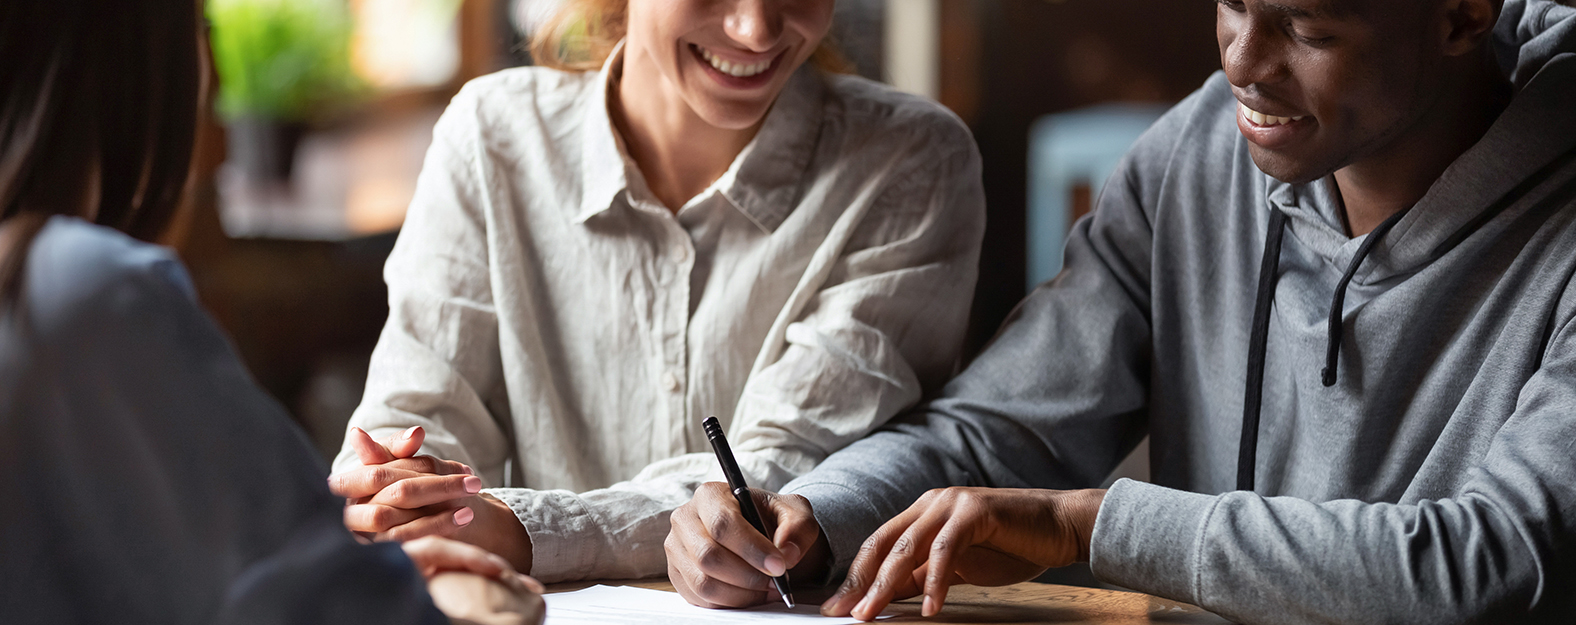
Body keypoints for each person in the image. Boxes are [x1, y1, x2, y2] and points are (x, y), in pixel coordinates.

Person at [666, 0, 1576, 622]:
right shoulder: (1197, 148)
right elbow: (998, 427)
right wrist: (818, 515)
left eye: (1304, 24)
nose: (1242, 63)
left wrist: (1086, 525)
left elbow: (1501, 564)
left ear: (1462, 13)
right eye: (1232, 4)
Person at [329, 0, 985, 583]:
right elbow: (414, 411)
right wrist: (396, 486)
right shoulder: (489, 136)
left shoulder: (914, 162)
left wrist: (521, 530)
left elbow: (781, 471)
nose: (755, 27)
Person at [0, 1, 541, 623]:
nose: (214, 82)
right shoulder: (86, 293)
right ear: (138, 63)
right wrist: (458, 602)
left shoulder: (18, 286)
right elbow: (315, 601)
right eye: (201, 31)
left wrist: (376, 575)